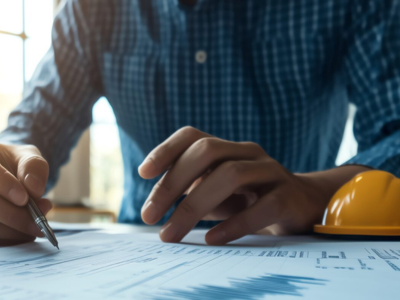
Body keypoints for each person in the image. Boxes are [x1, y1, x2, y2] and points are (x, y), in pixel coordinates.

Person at [0, 0, 399, 245]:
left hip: (295, 240)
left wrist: (312, 193)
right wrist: (10, 176)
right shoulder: (91, 9)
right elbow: (29, 131)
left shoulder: (348, 3)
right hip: (141, 256)